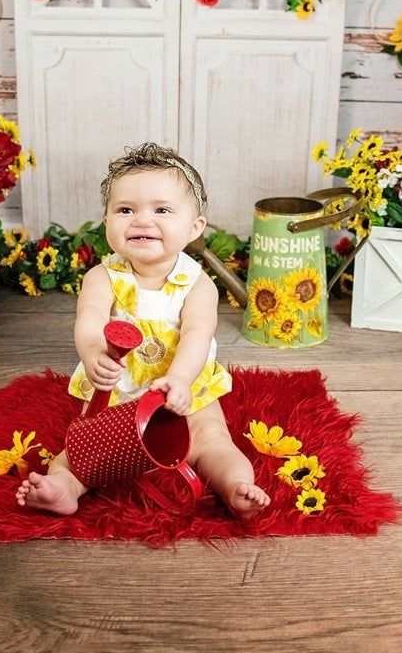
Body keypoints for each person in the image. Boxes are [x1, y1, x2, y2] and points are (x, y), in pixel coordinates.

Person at [16, 143, 270, 519]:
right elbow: (89, 320)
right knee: (83, 450)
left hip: (183, 396)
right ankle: (63, 488)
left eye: (162, 210)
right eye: (125, 210)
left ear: (194, 228)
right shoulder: (102, 277)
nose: (141, 220)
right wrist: (92, 354)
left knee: (213, 441)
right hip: (118, 390)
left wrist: (180, 379)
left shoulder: (197, 285)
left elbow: (197, 335)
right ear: (107, 223)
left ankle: (236, 488)